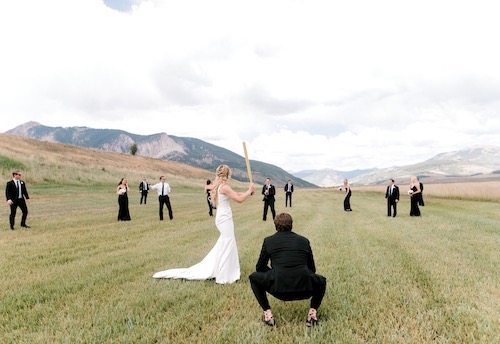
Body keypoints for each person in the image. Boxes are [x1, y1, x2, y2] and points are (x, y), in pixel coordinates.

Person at [153, 165, 255, 284]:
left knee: (226, 242)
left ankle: (223, 270)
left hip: (222, 216)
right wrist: (248, 192)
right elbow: (239, 199)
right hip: (224, 218)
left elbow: (236, 193)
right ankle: (224, 275)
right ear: (227, 175)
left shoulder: (219, 186)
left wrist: (248, 192)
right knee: (228, 242)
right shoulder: (224, 187)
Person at [249, 213, 327, 327]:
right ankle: (312, 315)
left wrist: (275, 273)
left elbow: (259, 267)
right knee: (322, 280)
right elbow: (312, 269)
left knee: (253, 277)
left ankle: (268, 315)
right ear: (291, 225)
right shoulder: (304, 241)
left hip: (278, 289)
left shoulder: (269, 241)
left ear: (275, 225)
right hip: (304, 289)